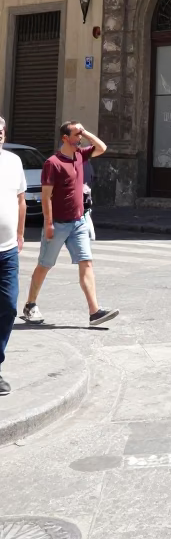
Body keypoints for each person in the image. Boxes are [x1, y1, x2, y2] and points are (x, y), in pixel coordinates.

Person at [21, 122, 118, 327]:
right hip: (58, 223)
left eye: (81, 134)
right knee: (45, 265)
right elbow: (45, 197)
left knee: (86, 262)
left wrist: (86, 131)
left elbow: (102, 148)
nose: (80, 138)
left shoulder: (80, 155)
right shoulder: (53, 163)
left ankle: (94, 312)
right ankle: (30, 304)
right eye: (76, 134)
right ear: (65, 138)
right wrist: (48, 223)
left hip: (78, 222)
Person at [0, 115, 26, 396]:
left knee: (8, 307)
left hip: (7, 250)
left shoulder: (14, 162)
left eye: (1, 131)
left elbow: (20, 200)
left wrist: (20, 233)